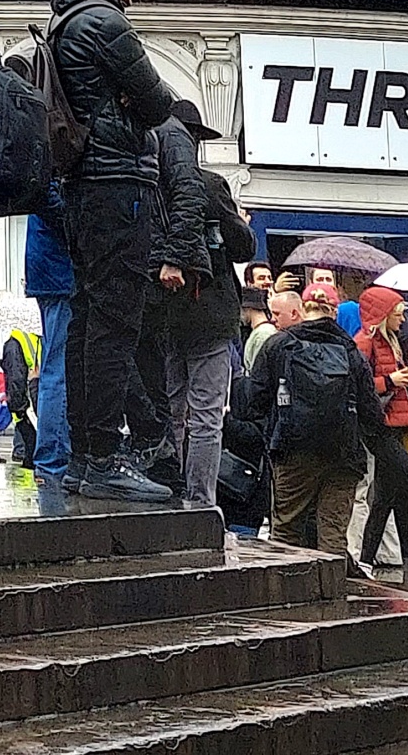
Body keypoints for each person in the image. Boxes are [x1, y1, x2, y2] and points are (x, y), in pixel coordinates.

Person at [47, 0, 180, 502]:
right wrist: (130, 100)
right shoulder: (105, 21)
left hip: (84, 183)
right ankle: (103, 454)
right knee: (115, 322)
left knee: (87, 317)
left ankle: (85, 454)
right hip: (117, 181)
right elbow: (157, 103)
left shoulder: (65, 18)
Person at [146, 99, 253, 512]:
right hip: (210, 313)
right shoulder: (208, 185)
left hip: (167, 312)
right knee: (207, 414)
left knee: (173, 405)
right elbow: (244, 247)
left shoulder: (151, 182)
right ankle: (201, 500)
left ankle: (171, 490)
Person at [248, 286, 384, 558]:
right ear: (333, 313)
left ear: (302, 312)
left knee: (286, 530)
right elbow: (372, 413)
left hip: (292, 450)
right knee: (333, 533)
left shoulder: (277, 345)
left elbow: (254, 400)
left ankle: (289, 593)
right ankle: (336, 592)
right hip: (343, 454)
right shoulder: (351, 351)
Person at [354, 286, 408, 583]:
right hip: (381, 429)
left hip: (394, 427)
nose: (403, 320)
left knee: (386, 498)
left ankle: (365, 561)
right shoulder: (366, 342)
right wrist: (391, 380)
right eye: (398, 314)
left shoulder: (390, 343)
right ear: (384, 315)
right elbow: (358, 386)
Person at [25, 188, 76, 485]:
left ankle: (52, 459)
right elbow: (54, 202)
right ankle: (53, 460)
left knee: (55, 367)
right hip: (60, 272)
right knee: (59, 369)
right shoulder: (57, 151)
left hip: (50, 270)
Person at [1, 322, 41, 470]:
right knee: (33, 456)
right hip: (31, 410)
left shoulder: (18, 342)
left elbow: (14, 377)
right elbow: (16, 378)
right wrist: (20, 409)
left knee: (31, 456)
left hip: (28, 409)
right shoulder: (28, 341)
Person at [247, 285, 305, 373]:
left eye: (277, 314)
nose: (272, 319)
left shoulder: (309, 341)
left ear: (294, 314)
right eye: (272, 314)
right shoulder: (275, 340)